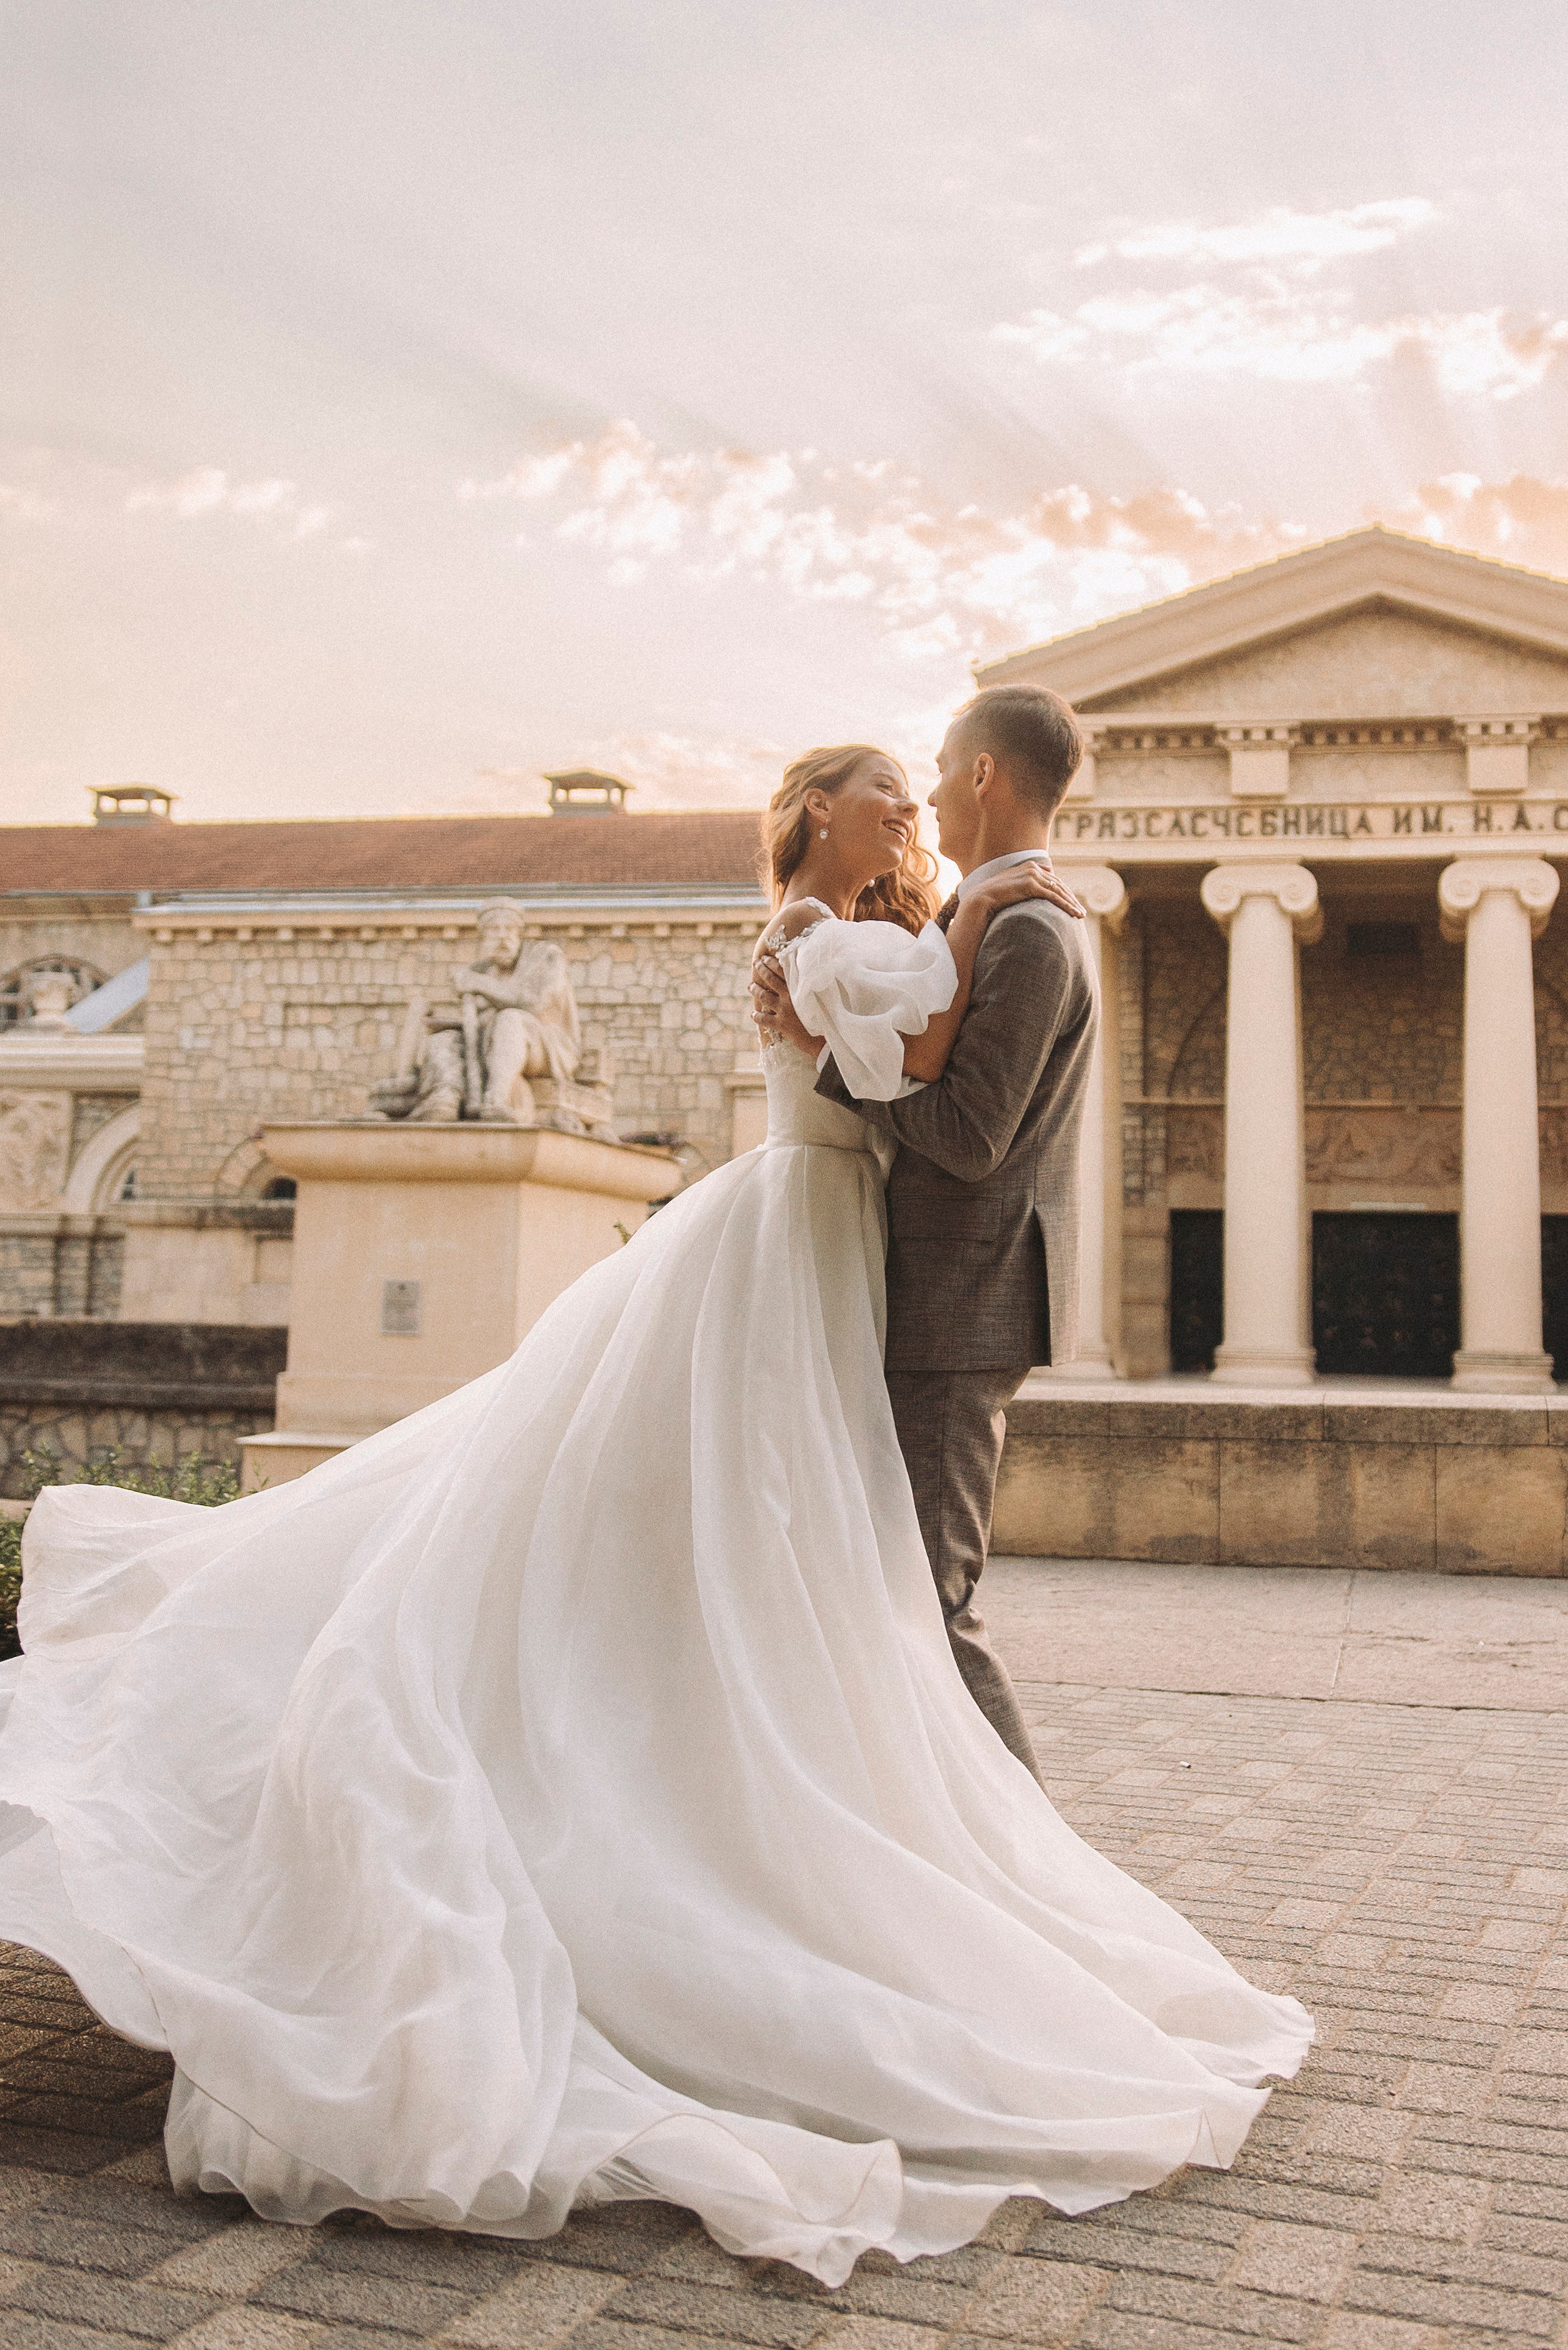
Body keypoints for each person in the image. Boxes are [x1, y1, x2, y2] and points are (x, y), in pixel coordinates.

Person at [0, 735, 1312, 2290]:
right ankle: (871, 1853)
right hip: (795, 1242)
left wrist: (971, 915)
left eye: (927, 783)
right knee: (797, 1559)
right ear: (818, 809)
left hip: (835, 1253)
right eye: (886, 791)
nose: (911, 808)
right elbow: (906, 1069)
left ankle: (886, 1840)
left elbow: (928, 1057)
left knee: (802, 1560)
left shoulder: (930, 924)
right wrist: (973, 914)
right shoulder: (824, 936)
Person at [752, 686, 1095, 1781]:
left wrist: (822, 1066)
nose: (927, 796)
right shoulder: (987, 918)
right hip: (926, 1289)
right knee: (896, 1590)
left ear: (985, 776)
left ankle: (1036, 1867)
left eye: (938, 769)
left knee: (931, 1603)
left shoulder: (1034, 927)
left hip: (961, 1298)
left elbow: (967, 1131)